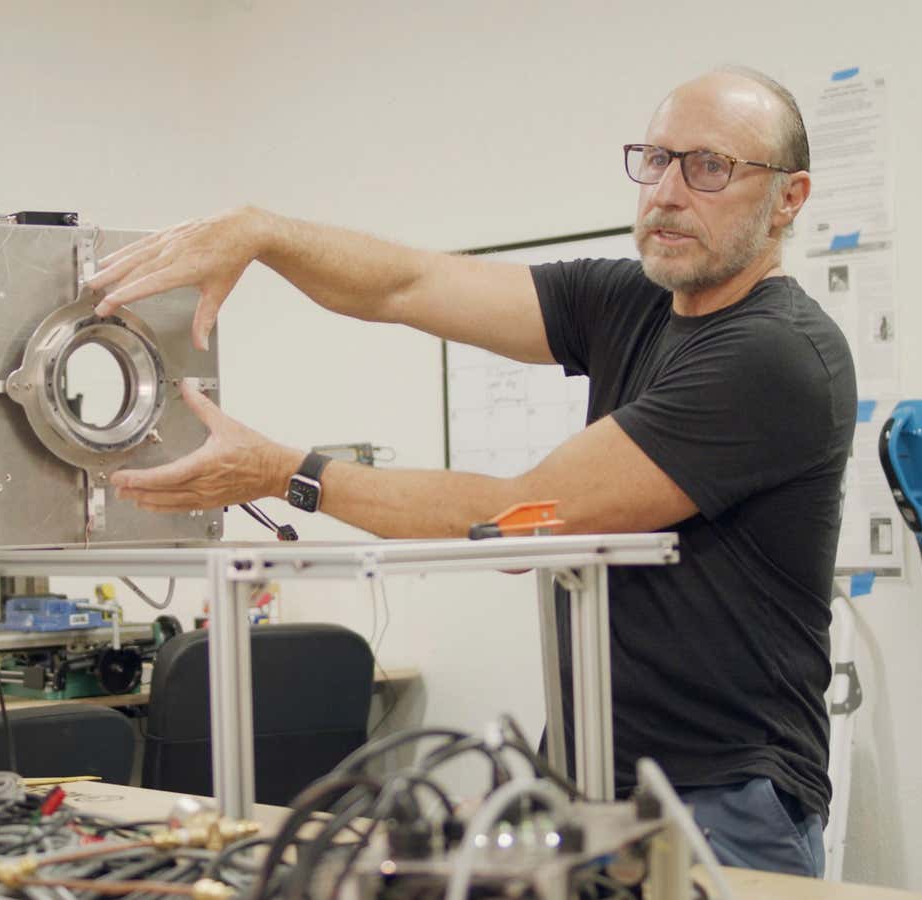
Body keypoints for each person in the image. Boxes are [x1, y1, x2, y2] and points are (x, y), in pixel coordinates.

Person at [86, 67, 855, 878]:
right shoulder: (629, 304)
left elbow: (525, 515)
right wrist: (263, 232)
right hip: (591, 776)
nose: (666, 192)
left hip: (723, 796)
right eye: (655, 159)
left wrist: (283, 472)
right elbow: (407, 284)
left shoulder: (774, 353)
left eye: (707, 167)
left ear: (789, 197)